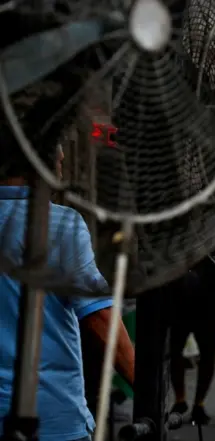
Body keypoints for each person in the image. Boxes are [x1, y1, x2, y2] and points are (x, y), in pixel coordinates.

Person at [0, 144, 135, 440]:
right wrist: (145, 386)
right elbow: (99, 319)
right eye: (55, 145)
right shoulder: (61, 224)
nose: (61, 155)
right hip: (52, 417)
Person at [168, 257, 215, 425]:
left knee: (208, 353)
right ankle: (180, 400)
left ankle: (199, 404)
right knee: (174, 351)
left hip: (209, 299)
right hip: (180, 299)